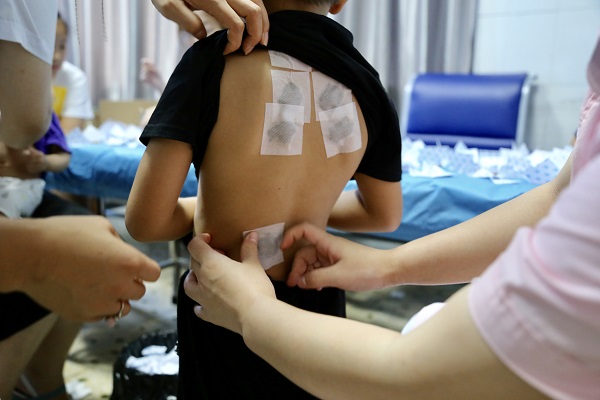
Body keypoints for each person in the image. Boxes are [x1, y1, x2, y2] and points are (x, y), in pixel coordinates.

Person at [183, 37, 600, 399]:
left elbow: (414, 377)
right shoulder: (361, 82)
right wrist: (387, 265)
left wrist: (252, 311)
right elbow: (559, 194)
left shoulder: (216, 64)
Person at [126, 0, 403, 397]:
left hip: (224, 301)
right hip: (317, 290)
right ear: (340, 1)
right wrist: (309, 212)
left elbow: (146, 222)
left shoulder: (216, 59)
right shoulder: (367, 84)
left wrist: (210, 208)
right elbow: (384, 215)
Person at [0, 113, 71, 219]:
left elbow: (64, 157)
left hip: (22, 185)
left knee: (6, 212)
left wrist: (45, 162)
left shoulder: (42, 114)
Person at [52, 13, 94, 134]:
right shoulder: (17, 75)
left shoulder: (75, 78)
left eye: (62, 46)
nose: (57, 56)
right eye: (49, 45)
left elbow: (67, 132)